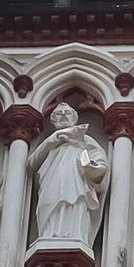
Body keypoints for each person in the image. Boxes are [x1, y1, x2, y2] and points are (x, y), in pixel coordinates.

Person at [32, 105, 108, 254]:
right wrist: (51, 141)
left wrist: (93, 168)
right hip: (52, 181)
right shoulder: (50, 142)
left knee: (75, 202)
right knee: (51, 204)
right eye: (59, 114)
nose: (64, 116)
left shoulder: (84, 139)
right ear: (53, 121)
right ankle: (50, 234)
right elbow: (31, 163)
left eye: (68, 113)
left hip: (77, 181)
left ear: (75, 118)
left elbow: (100, 162)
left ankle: (74, 235)